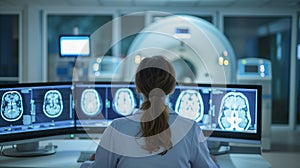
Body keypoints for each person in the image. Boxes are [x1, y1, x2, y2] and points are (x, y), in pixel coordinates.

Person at [80, 56, 219, 168]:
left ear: (138, 87)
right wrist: (211, 161)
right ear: (171, 88)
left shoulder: (117, 128)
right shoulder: (190, 129)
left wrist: (89, 163)